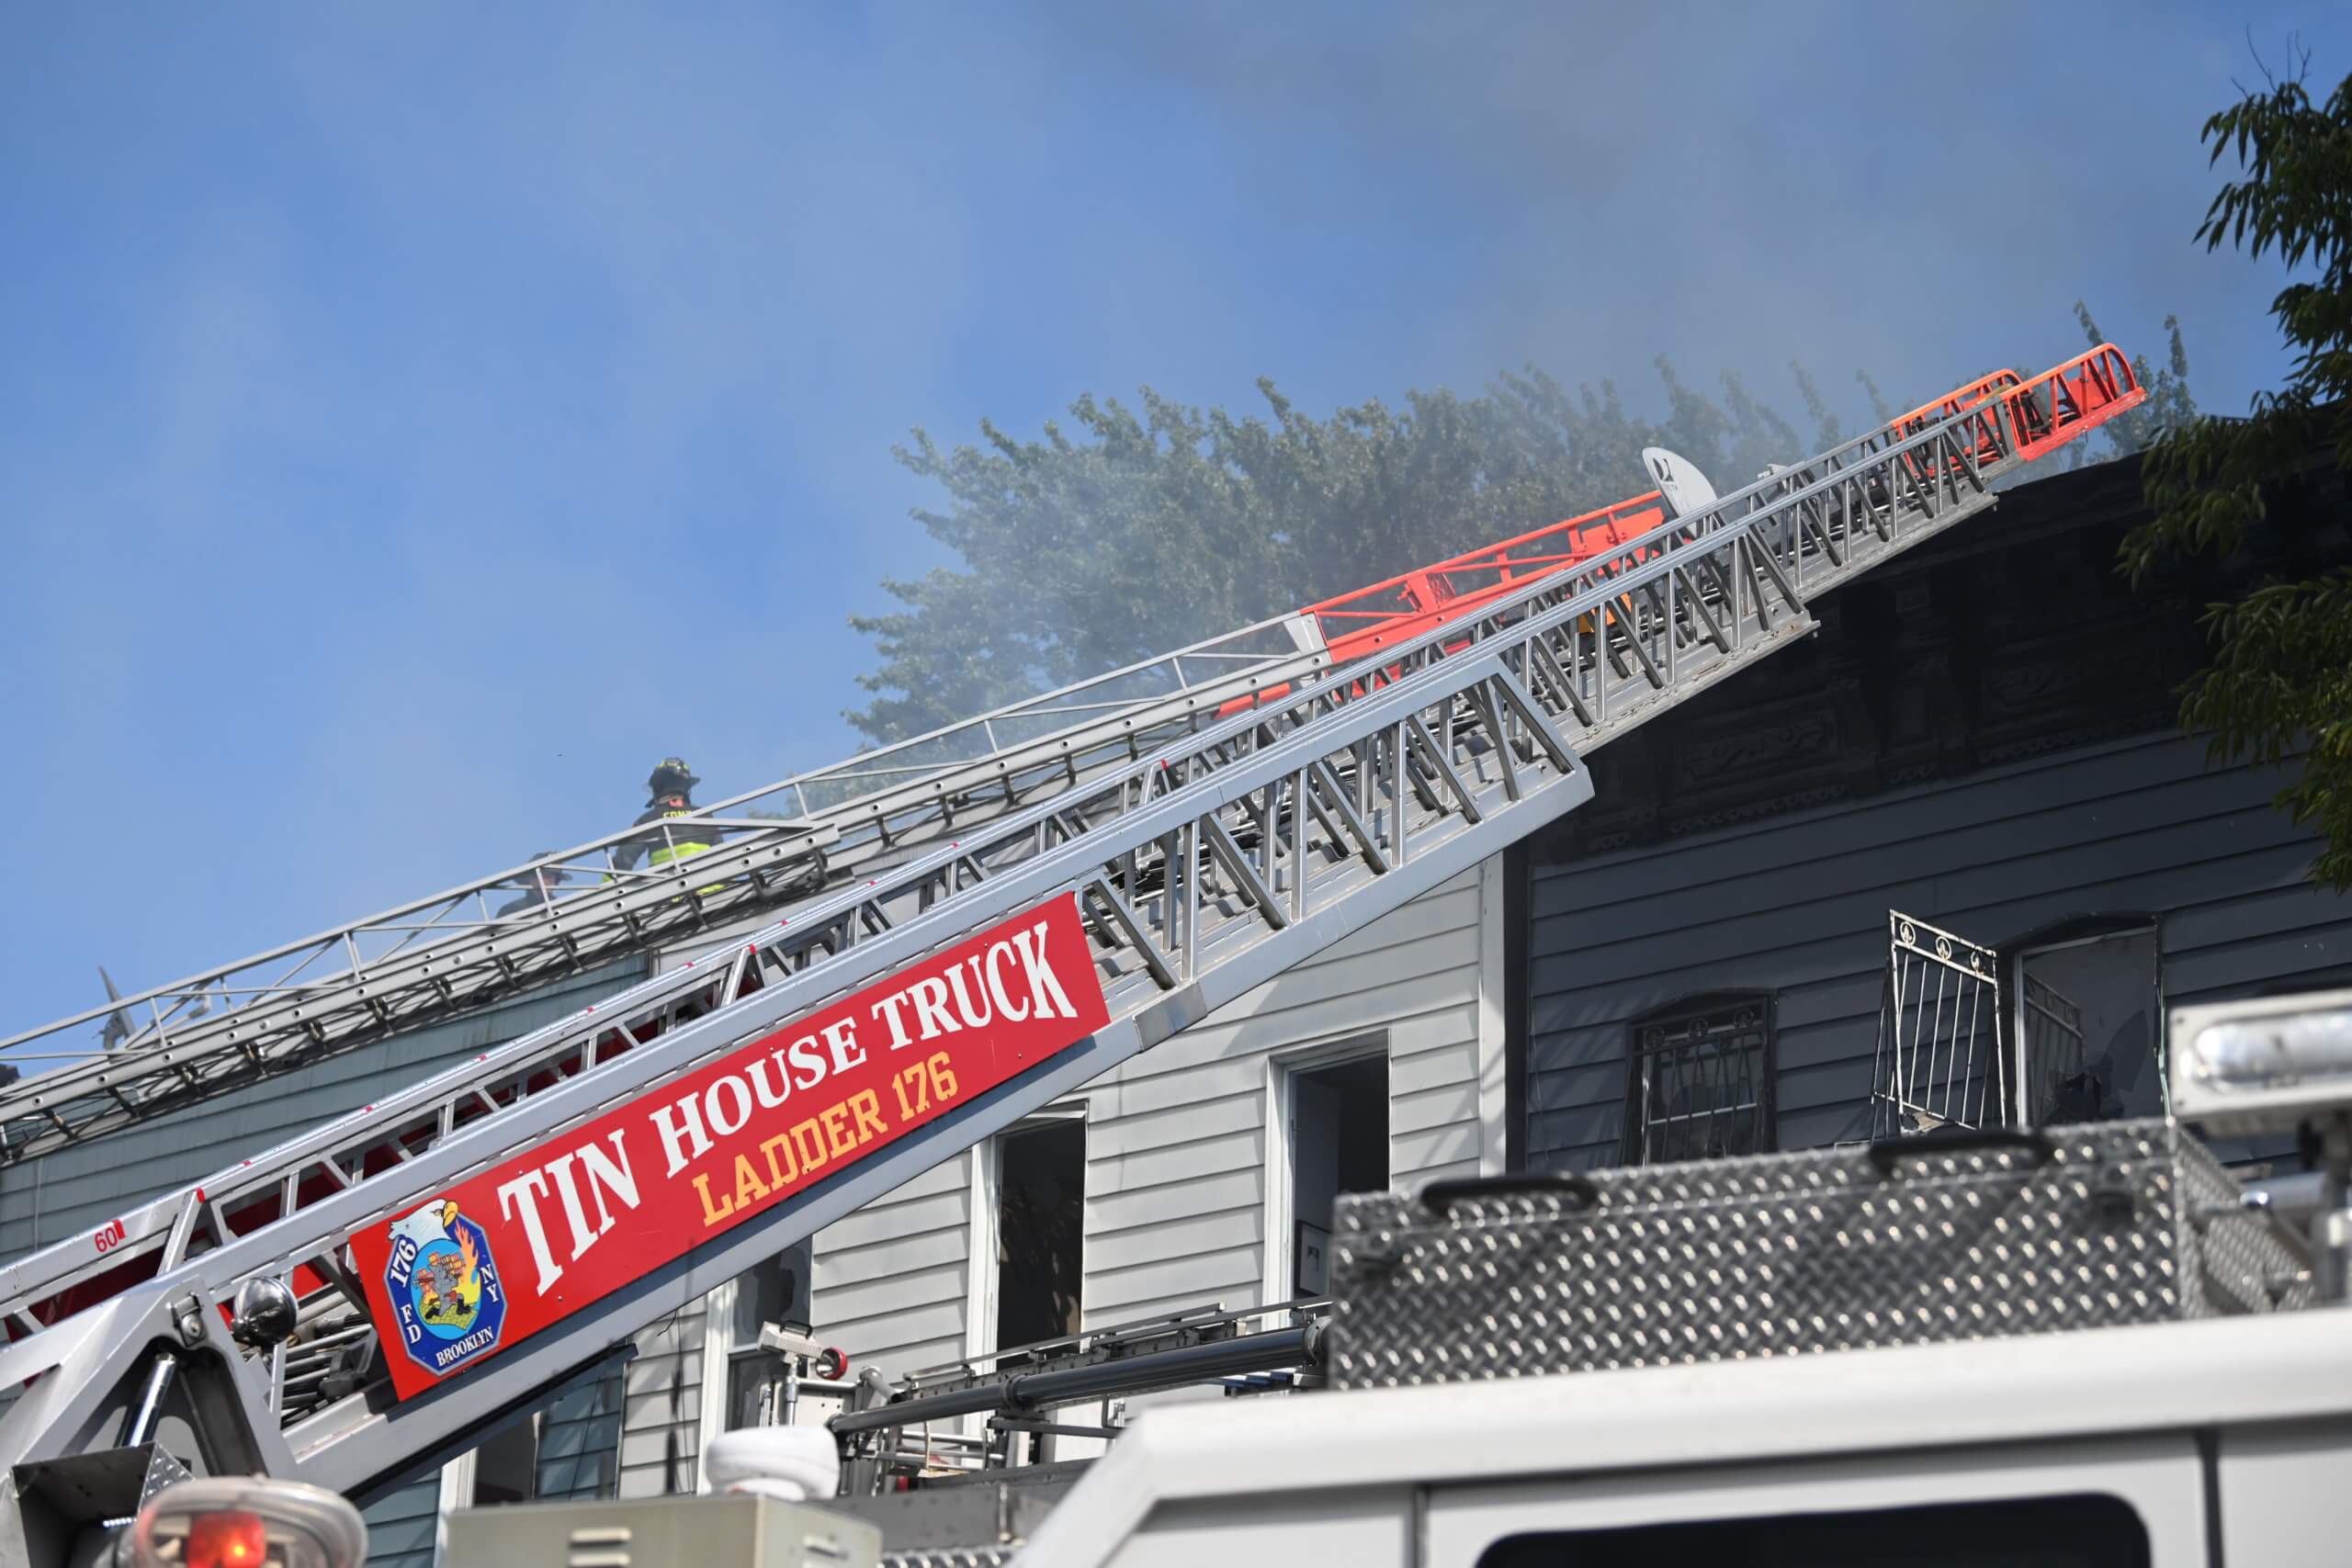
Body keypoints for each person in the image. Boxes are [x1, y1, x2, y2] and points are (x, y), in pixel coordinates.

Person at [613, 757, 727, 895]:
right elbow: (723, 858)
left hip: (668, 899)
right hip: (714, 896)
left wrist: (607, 897)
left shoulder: (647, 820)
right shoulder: (704, 816)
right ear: (687, 788)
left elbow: (622, 862)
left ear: (657, 788)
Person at [493, 854, 571, 919]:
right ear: (528, 880)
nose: (543, 881)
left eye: (548, 876)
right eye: (536, 876)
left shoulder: (565, 908)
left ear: (556, 881)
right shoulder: (511, 910)